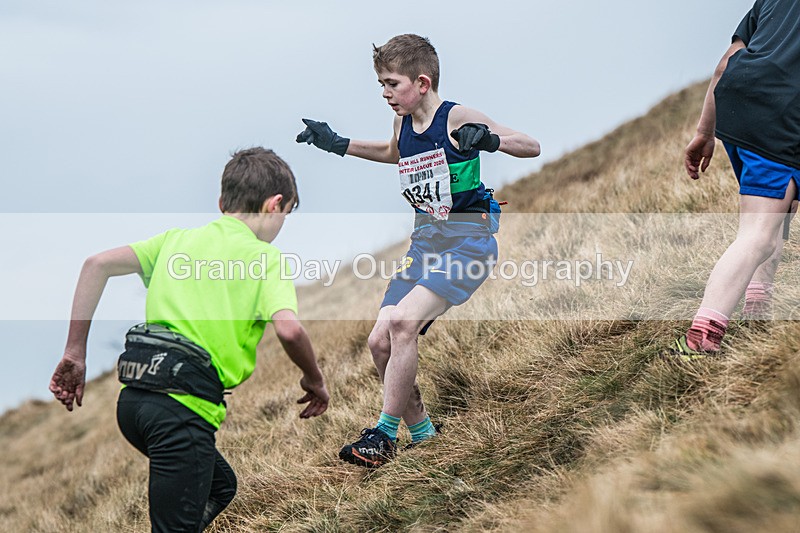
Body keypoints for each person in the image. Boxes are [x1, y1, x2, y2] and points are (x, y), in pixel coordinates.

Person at [49, 147, 330, 531]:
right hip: (182, 409)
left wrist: (74, 352)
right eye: (287, 214)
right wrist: (314, 378)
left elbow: (95, 265)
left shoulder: (175, 241)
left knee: (220, 486)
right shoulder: (266, 259)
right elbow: (290, 329)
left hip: (133, 404)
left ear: (221, 202)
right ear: (274, 205)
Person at [296, 34, 540, 467]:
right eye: (381, 86)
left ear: (422, 82)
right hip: (425, 241)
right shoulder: (402, 122)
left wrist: (488, 140)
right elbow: (394, 153)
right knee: (379, 341)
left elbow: (530, 144)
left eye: (392, 84)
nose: (386, 94)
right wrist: (337, 144)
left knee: (404, 323)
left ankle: (384, 435)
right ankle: (425, 436)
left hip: (469, 240)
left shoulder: (457, 116)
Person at [666, 0, 800, 361]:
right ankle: (700, 340)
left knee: (777, 207)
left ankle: (758, 304)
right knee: (756, 233)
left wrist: (704, 133)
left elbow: (726, 61)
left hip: (739, 102)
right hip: (784, 113)